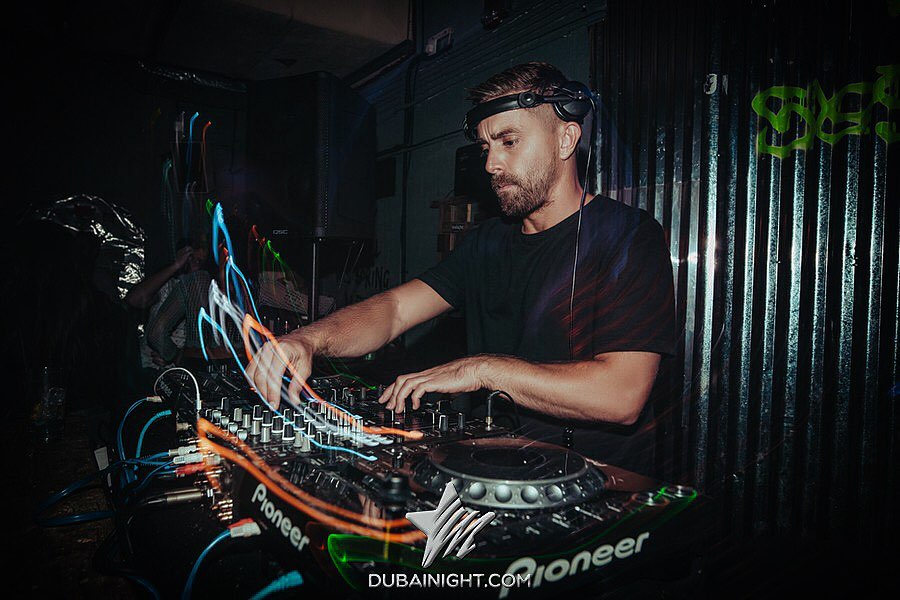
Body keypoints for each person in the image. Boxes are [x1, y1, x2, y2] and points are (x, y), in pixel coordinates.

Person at [247, 62, 675, 474]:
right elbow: (395, 309)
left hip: (597, 488)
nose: (490, 165)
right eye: (487, 148)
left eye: (509, 141)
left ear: (566, 140)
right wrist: (308, 340)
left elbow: (622, 395)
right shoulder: (486, 242)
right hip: (495, 470)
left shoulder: (628, 237)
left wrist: (480, 369)